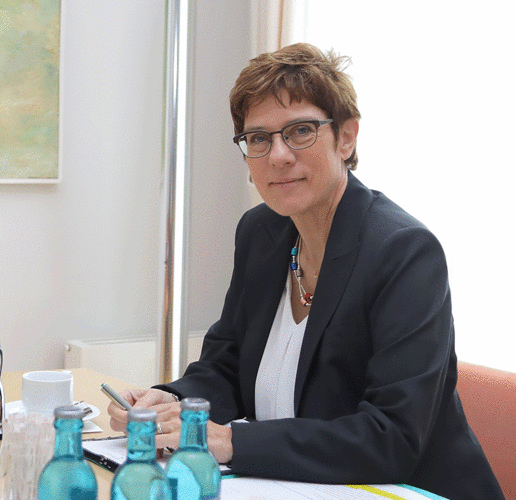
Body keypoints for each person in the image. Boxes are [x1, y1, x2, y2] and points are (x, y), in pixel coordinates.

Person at [107, 43, 503, 500]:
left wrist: (228, 441)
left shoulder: (404, 252)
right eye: (258, 138)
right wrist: (174, 403)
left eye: (299, 131)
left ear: (347, 137)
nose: (277, 155)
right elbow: (227, 366)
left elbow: (389, 438)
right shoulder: (261, 232)